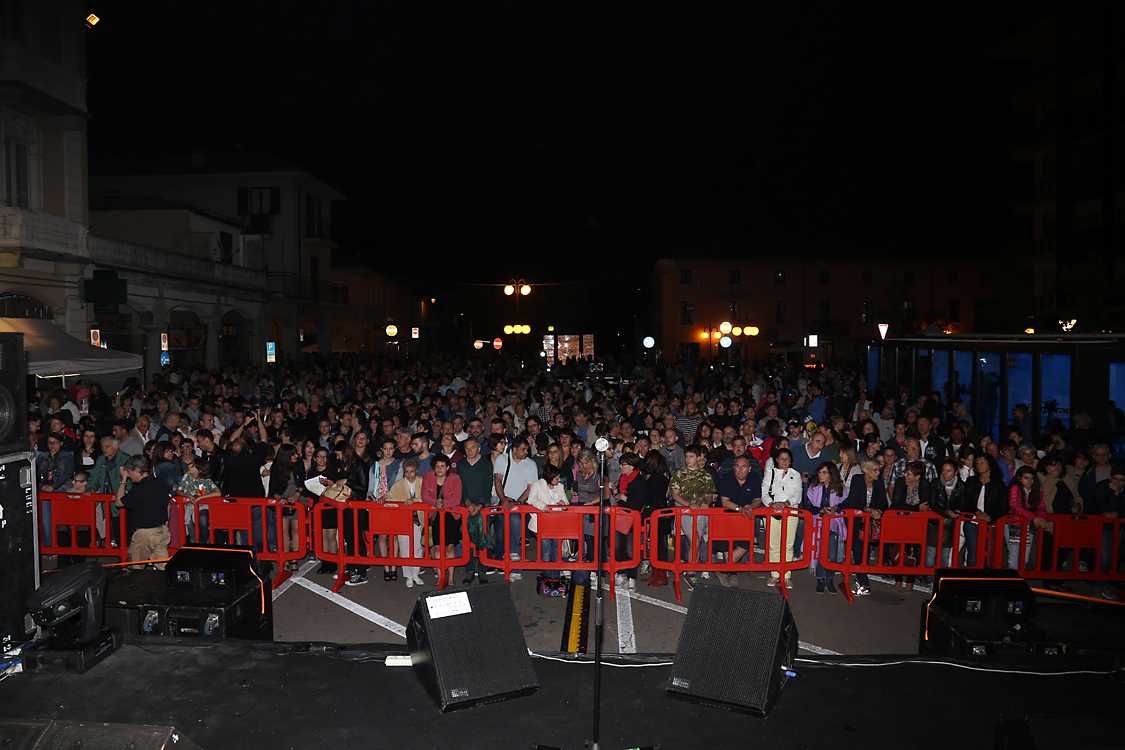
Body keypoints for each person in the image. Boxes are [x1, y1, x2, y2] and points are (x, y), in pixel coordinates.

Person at [669, 444, 716, 590]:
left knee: (698, 540)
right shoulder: (679, 473)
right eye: (687, 456)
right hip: (684, 511)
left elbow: (710, 495)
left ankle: (692, 570)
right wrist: (688, 504)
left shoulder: (705, 475)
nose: (688, 459)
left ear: (698, 458)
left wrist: (706, 504)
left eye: (691, 456)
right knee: (694, 539)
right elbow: (675, 495)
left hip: (700, 512)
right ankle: (690, 571)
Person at [492, 436, 538, 582]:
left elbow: (531, 487)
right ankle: (500, 563)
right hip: (503, 502)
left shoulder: (531, 464)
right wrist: (503, 499)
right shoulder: (502, 460)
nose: (526, 452)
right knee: (500, 535)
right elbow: (497, 479)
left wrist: (518, 503)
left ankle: (515, 566)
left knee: (515, 530)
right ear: (514, 449)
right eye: (523, 449)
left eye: (528, 449)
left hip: (519, 504)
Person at [115, 455, 171, 570]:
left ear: (137, 469)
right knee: (164, 568)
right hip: (162, 530)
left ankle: (138, 588)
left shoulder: (139, 489)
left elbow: (119, 502)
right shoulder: (161, 483)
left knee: (136, 569)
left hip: (146, 533)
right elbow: (168, 507)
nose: (129, 475)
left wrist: (123, 480)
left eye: (129, 472)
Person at [842, 457, 888, 596]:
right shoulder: (857, 479)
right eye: (874, 470)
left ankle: (861, 578)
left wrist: (879, 511)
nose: (878, 472)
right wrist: (868, 510)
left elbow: (884, 503)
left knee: (866, 552)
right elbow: (853, 501)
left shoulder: (879, 482)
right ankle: (864, 583)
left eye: (878, 469)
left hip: (870, 524)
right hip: (856, 521)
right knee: (857, 548)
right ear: (865, 470)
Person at [526, 462, 570, 595]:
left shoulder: (560, 487)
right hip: (541, 524)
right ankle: (548, 579)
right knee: (546, 552)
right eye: (557, 478)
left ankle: (555, 579)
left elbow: (566, 503)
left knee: (556, 552)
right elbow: (531, 499)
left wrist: (563, 503)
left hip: (556, 524)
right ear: (550, 477)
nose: (559, 480)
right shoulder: (537, 484)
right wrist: (543, 506)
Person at [958, 454, 1009, 567]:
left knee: (989, 553)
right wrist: (977, 512)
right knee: (973, 552)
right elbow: (965, 502)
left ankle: (986, 580)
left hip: (991, 525)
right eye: (977, 463)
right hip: (973, 522)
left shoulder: (998, 484)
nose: (979, 465)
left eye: (982, 463)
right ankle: (972, 580)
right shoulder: (971, 481)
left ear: (990, 465)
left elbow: (1004, 506)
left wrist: (991, 516)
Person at [763, 448, 802, 590]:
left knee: (788, 545)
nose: (784, 461)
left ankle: (786, 575)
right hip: (772, 512)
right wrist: (773, 504)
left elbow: (798, 494)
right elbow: (764, 492)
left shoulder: (795, 474)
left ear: (790, 460)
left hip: (790, 512)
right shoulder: (769, 473)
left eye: (787, 458)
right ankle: (774, 574)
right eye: (781, 458)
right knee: (773, 544)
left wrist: (786, 504)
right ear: (776, 460)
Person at [889, 461, 932, 592]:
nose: (905, 475)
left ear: (917, 477)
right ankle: (898, 580)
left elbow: (926, 505)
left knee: (913, 551)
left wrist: (915, 509)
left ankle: (910, 581)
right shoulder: (900, 482)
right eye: (906, 472)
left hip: (916, 524)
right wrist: (916, 508)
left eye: (909, 473)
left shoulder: (924, 484)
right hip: (899, 521)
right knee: (897, 548)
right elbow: (896, 503)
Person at [421, 454, 462, 588]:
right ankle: (440, 577)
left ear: (448, 467)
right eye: (437, 466)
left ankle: (450, 578)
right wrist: (435, 503)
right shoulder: (428, 476)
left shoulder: (455, 478)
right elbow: (424, 496)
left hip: (451, 515)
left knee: (450, 547)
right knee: (437, 547)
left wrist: (442, 504)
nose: (439, 469)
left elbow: (457, 499)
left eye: (442, 466)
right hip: (434, 516)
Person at [805, 462, 847, 594]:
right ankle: (820, 579)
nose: (821, 475)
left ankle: (829, 579)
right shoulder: (813, 487)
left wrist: (836, 508)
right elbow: (808, 507)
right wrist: (820, 510)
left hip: (833, 524)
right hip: (817, 523)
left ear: (831, 474)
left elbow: (846, 503)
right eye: (819, 472)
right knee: (819, 553)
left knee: (832, 555)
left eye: (824, 472)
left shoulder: (839, 487)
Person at [611, 452, 648, 590]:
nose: (620, 467)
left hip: (634, 519)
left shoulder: (639, 481)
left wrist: (623, 497)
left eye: (623, 464)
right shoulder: (623, 478)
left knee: (631, 550)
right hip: (622, 516)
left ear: (632, 466)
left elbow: (638, 504)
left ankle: (632, 577)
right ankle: (622, 572)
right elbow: (620, 496)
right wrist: (616, 491)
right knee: (619, 547)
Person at [388, 458, 425, 587]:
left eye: (412, 471)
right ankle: (408, 576)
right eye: (407, 472)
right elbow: (391, 501)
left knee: (418, 548)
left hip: (419, 521)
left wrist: (415, 500)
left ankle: (415, 573)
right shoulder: (398, 484)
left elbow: (427, 497)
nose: (409, 474)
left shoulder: (422, 483)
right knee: (404, 549)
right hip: (403, 521)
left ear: (416, 471)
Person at [1007, 466, 1047, 571]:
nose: (1029, 481)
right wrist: (1034, 517)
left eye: (1032, 478)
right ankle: (1014, 581)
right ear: (1019, 478)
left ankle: (1018, 578)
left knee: (1025, 558)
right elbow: (1015, 507)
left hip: (1029, 525)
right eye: (1026, 478)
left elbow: (1041, 507)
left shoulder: (1038, 489)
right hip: (1014, 525)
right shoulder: (1015, 488)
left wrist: (1042, 518)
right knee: (1014, 556)